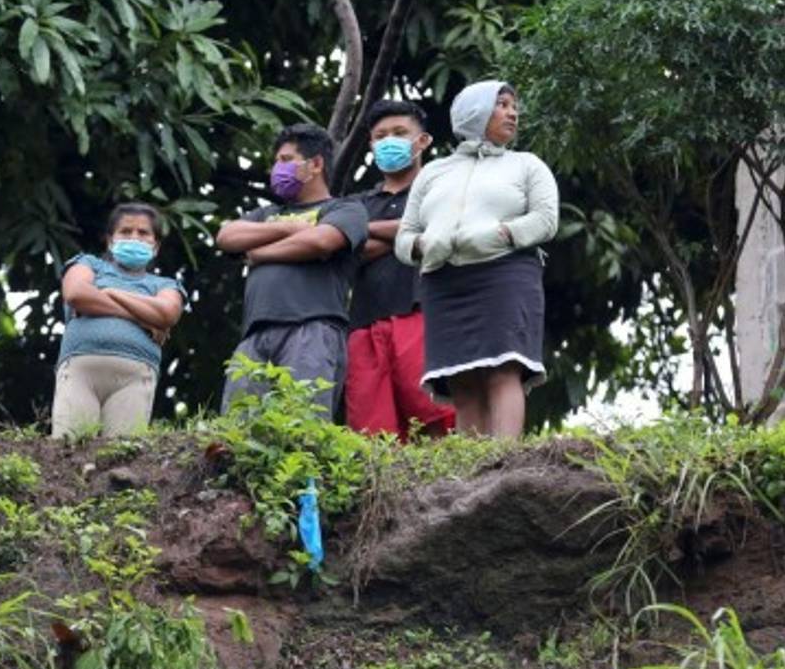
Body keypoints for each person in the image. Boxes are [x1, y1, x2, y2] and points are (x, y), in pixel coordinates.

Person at [395, 80, 558, 438]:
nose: (512, 113)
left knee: (504, 368)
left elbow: (546, 219)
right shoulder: (434, 172)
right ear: (474, 110)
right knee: (461, 378)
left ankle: (503, 462)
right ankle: (471, 469)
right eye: (501, 104)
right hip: (444, 280)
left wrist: (501, 234)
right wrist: (426, 245)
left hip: (506, 272)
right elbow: (404, 237)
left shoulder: (526, 165)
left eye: (514, 106)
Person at [217, 124, 368, 416]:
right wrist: (290, 227)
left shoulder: (346, 209)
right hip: (254, 335)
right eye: (276, 162)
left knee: (303, 428)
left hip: (312, 329)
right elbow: (227, 236)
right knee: (237, 433)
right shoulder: (266, 215)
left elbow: (322, 240)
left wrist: (260, 254)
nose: (277, 168)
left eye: (286, 160)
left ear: (316, 164)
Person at [345, 100, 455, 440]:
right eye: (380, 136)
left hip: (423, 310)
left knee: (436, 414)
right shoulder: (356, 203)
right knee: (371, 431)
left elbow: (440, 228)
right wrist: (410, 231)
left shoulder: (442, 188)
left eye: (399, 133)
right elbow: (342, 247)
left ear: (422, 141)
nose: (388, 141)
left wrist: (367, 229)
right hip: (363, 323)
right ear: (371, 146)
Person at [52, 203, 185, 438]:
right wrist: (144, 319)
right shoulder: (88, 264)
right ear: (110, 241)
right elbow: (76, 294)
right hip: (80, 371)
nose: (134, 237)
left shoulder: (165, 285)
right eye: (125, 231)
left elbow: (167, 314)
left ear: (156, 246)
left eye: (143, 233)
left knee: (120, 460)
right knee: (69, 452)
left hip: (135, 378)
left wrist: (111, 293)